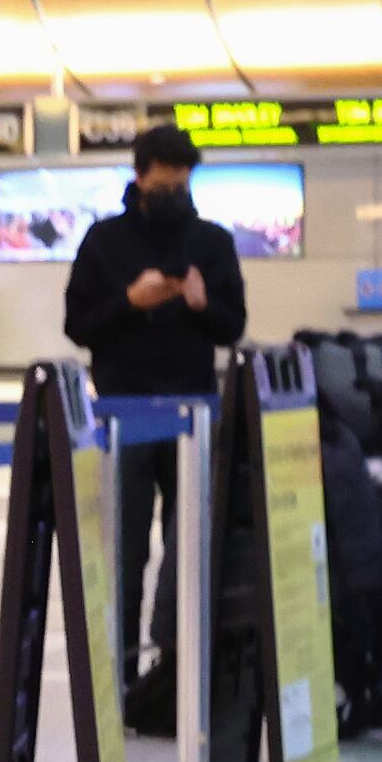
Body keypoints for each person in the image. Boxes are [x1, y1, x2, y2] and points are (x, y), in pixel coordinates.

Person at [60, 121, 247, 679]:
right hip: (122, 415)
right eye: (162, 187)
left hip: (193, 413)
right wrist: (131, 300)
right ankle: (115, 671)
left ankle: (179, 669)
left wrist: (198, 303)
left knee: (191, 547)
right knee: (124, 548)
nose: (172, 198)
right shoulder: (104, 242)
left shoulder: (212, 243)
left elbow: (231, 326)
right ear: (138, 179)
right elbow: (78, 325)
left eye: (181, 188)